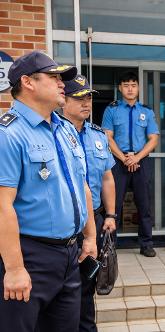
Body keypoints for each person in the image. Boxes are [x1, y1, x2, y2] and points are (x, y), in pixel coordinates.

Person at [0, 51, 97, 331]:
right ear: (28, 82)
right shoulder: (9, 134)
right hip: (30, 256)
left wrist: (89, 236)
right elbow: (2, 206)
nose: (62, 84)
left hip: (70, 254)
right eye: (54, 77)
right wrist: (15, 268)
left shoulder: (65, 129)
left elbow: (82, 186)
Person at [61, 74, 117, 332]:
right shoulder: (55, 132)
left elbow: (107, 178)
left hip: (94, 218)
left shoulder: (98, 135)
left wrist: (111, 215)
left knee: (87, 286)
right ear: (63, 100)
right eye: (79, 97)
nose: (86, 103)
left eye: (89, 97)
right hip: (65, 224)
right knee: (63, 288)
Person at [101, 71, 159, 257]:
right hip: (118, 161)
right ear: (120, 88)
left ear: (138, 88)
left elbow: (153, 139)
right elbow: (107, 137)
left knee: (144, 205)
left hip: (141, 161)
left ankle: (147, 244)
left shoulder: (147, 112)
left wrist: (137, 158)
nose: (130, 89)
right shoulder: (112, 110)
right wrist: (124, 158)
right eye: (126, 85)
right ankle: (111, 246)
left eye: (133, 85)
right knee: (113, 205)